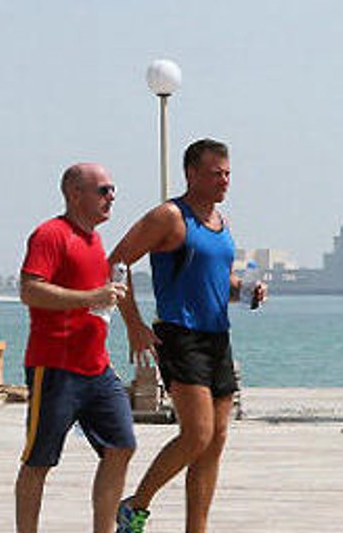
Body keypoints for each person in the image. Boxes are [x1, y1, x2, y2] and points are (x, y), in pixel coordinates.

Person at [110, 139, 266, 533]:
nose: (224, 181)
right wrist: (134, 323)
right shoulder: (169, 216)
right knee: (196, 434)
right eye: (216, 173)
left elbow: (217, 279)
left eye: (228, 173)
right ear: (192, 174)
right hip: (180, 334)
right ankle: (135, 505)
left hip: (217, 337)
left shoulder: (222, 223)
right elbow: (116, 262)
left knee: (215, 441)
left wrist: (244, 291)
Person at [15, 163, 134, 533]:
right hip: (55, 367)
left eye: (113, 189)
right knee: (40, 460)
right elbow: (30, 289)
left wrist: (131, 323)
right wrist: (91, 297)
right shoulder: (50, 235)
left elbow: (96, 306)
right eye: (103, 190)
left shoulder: (95, 242)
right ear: (74, 193)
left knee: (122, 445)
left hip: (97, 368)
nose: (111, 196)